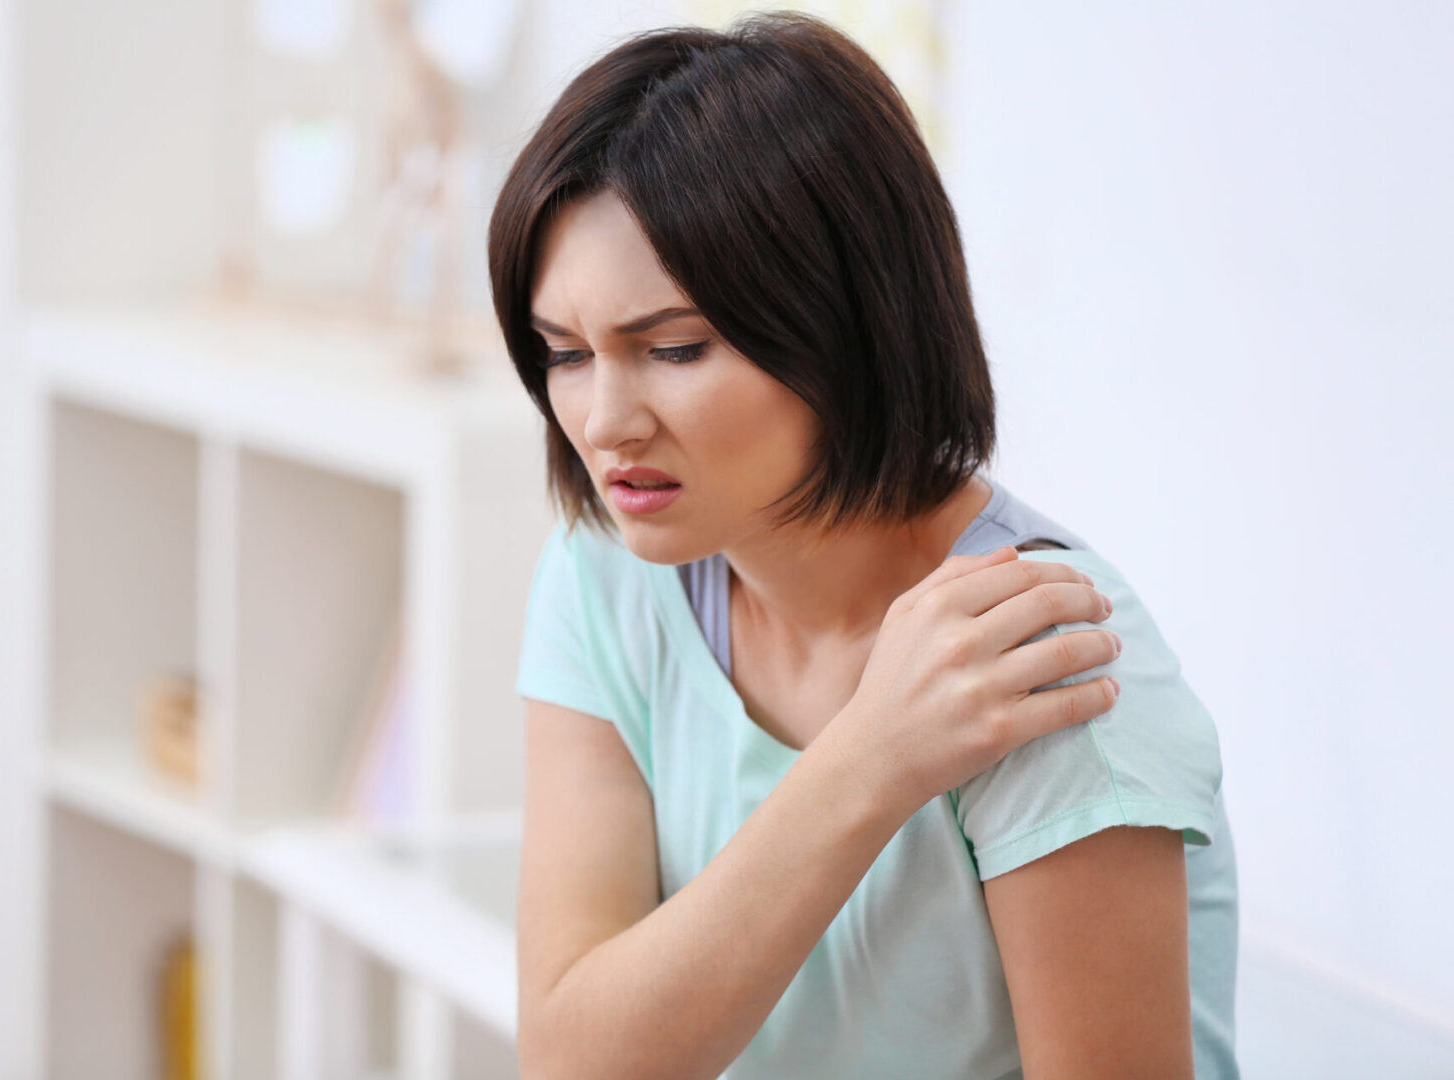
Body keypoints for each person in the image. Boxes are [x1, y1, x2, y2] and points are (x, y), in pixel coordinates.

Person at [487, 11, 1238, 1079]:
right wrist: (869, 760)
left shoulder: (1042, 659)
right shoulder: (606, 577)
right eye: (564, 353)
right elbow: (574, 1060)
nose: (605, 421)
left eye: (675, 348)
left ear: (845, 325)